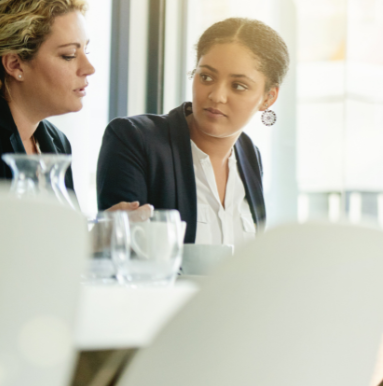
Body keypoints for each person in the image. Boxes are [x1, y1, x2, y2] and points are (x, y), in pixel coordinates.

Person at [97, 18, 289, 247]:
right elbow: (122, 253)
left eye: (238, 85)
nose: (216, 95)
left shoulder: (249, 155)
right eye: (206, 77)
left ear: (268, 98)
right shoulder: (134, 139)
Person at [0, 0, 94, 206]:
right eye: (68, 55)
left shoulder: (58, 144)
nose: (89, 68)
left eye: (86, 52)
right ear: (15, 64)